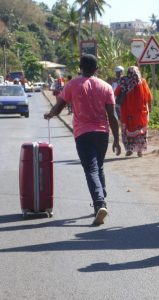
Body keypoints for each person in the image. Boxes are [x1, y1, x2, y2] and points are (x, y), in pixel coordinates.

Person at [44, 54, 121, 225]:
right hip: (102, 134)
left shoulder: (72, 85)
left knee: (91, 170)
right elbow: (112, 116)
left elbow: (59, 107)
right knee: (98, 166)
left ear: (80, 68)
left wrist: (50, 115)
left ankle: (100, 203)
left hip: (83, 134)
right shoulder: (106, 86)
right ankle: (102, 201)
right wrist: (116, 139)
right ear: (96, 69)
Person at [114, 66, 152, 157]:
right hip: (140, 114)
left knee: (127, 132)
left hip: (127, 114)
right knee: (141, 132)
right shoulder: (142, 82)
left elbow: (116, 93)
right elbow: (149, 96)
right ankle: (140, 150)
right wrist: (149, 107)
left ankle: (129, 150)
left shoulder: (124, 81)